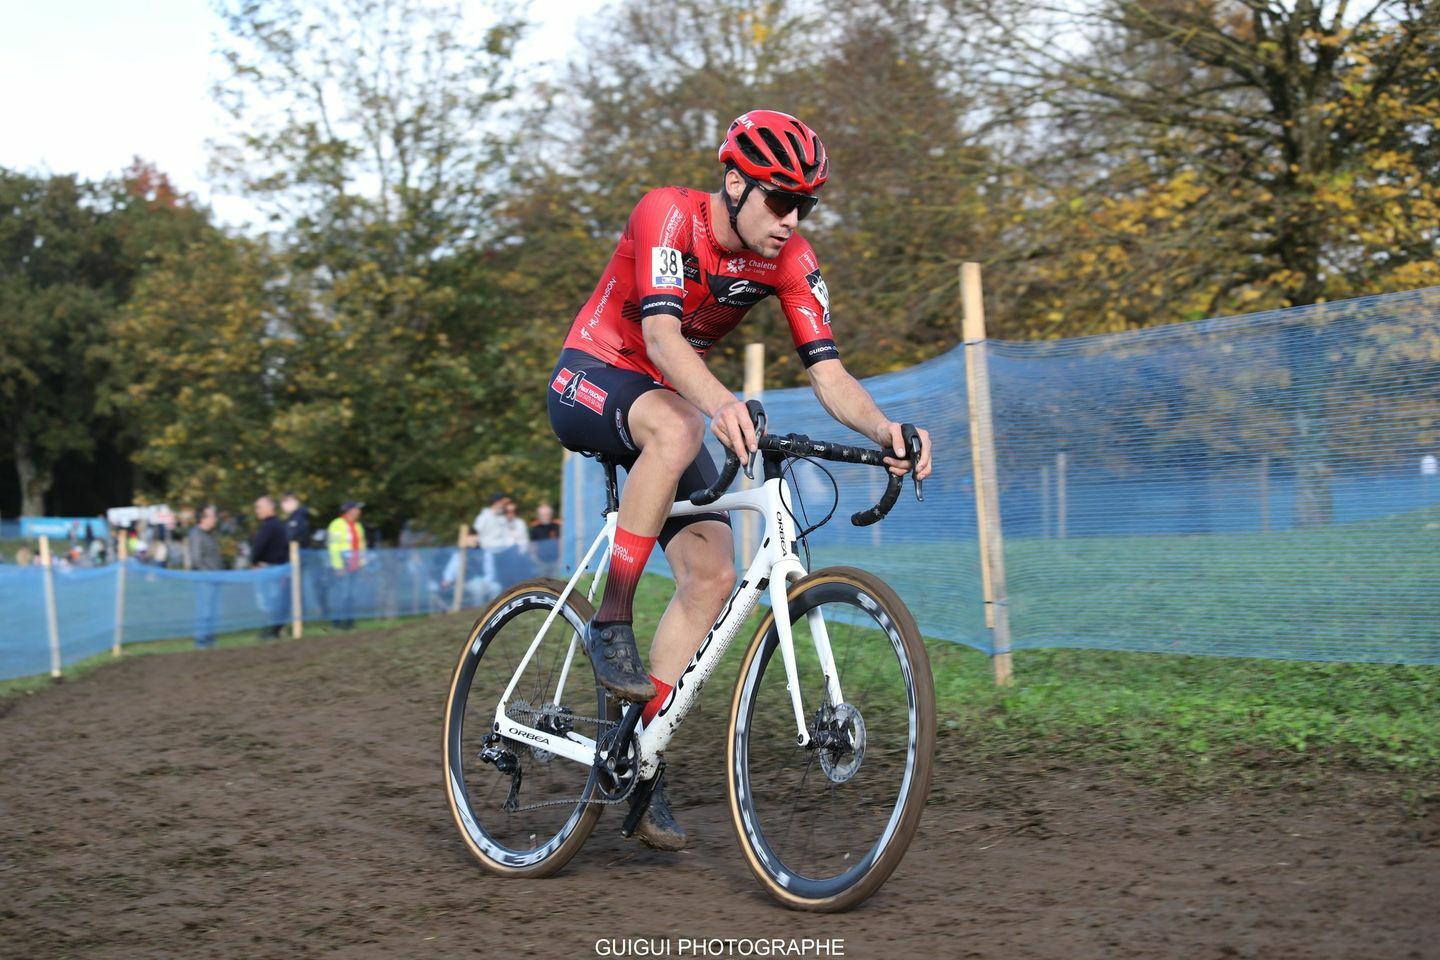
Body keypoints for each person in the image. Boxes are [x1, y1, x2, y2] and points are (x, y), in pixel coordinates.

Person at [545, 110, 933, 851]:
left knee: (712, 575)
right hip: (592, 375)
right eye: (780, 200)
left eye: (805, 206)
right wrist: (720, 402)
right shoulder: (667, 215)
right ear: (735, 183)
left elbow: (829, 374)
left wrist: (887, 432)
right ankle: (610, 620)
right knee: (682, 425)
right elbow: (659, 337)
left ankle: (634, 756)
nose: (792, 220)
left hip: (663, 401)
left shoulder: (790, 262)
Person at [250, 496, 291, 639]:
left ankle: (269, 632)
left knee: (269, 602)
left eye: (259, 507)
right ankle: (274, 630)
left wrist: (255, 561)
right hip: (278, 568)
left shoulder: (269, 526)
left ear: (270, 508)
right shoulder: (279, 524)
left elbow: (259, 547)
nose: (257, 511)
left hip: (269, 569)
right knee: (276, 600)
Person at [326, 500, 367, 630]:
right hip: (343, 564)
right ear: (350, 510)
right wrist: (338, 566)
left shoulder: (357, 526)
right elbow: (333, 546)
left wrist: (361, 562)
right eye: (357, 508)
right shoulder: (336, 524)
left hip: (354, 563)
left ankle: (349, 622)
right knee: (341, 594)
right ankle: (336, 623)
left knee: (352, 594)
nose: (359, 511)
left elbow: (361, 545)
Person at [188, 505, 223, 648]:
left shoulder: (210, 534)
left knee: (212, 611)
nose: (215, 519)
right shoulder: (196, 534)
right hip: (205, 580)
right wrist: (208, 574)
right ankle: (201, 642)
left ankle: (210, 641)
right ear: (203, 518)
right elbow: (196, 559)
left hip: (214, 579)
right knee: (205, 611)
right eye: (212, 516)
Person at [472, 493, 513, 588]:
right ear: (496, 502)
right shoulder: (483, 517)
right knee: (491, 584)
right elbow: (475, 534)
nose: (504, 505)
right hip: (487, 555)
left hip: (504, 555)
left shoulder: (502, 517)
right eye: (503, 503)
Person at [529, 502, 562, 579]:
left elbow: (561, 543)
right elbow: (532, 547)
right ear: (539, 515)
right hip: (541, 562)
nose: (545, 516)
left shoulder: (557, 526)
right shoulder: (535, 529)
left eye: (547, 514)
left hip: (556, 562)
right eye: (543, 514)